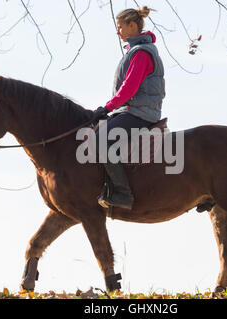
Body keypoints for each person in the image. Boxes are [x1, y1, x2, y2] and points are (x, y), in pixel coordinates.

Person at [92, 6, 166, 210]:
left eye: (120, 27)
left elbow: (129, 88)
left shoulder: (141, 53)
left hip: (140, 113)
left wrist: (107, 107)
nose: (117, 32)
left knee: (100, 141)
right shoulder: (136, 51)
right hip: (133, 111)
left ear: (132, 26)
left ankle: (123, 193)